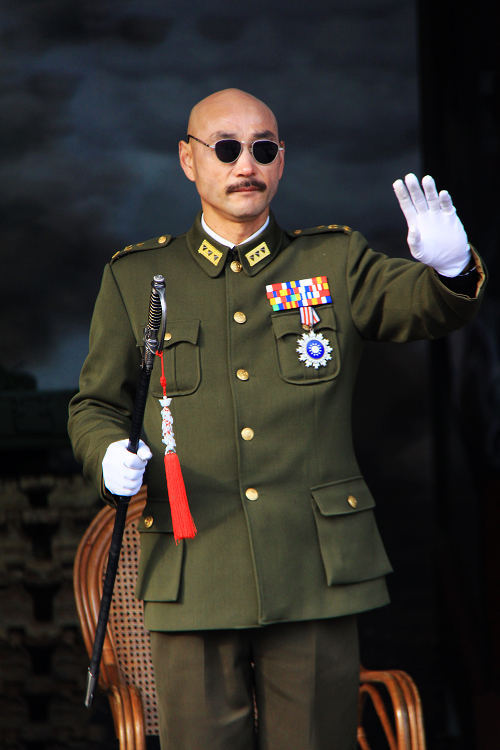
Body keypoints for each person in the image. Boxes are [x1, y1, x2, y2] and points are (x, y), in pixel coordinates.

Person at [68, 89, 486, 750]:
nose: (246, 165)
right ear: (188, 159)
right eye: (226, 148)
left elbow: (425, 306)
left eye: (262, 149)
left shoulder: (334, 262)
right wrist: (106, 454)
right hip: (194, 569)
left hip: (313, 570)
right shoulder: (139, 277)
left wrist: (453, 269)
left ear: (281, 160)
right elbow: (96, 404)